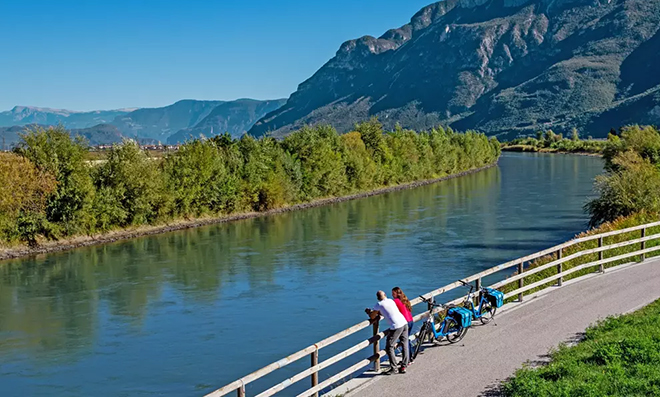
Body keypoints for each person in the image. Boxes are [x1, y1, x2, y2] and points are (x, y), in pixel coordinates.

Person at [365, 290, 409, 374]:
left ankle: (394, 368)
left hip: (396, 326)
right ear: (385, 295)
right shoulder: (391, 301)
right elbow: (387, 311)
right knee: (404, 344)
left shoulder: (379, 304)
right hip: (404, 322)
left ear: (377, 298)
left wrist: (369, 312)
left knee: (389, 346)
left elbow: (373, 316)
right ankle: (404, 365)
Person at [392, 286, 414, 364]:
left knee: (404, 341)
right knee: (406, 340)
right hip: (411, 320)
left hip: (405, 322)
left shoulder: (396, 301)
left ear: (396, 294)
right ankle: (410, 357)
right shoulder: (405, 300)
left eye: (393, 293)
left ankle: (408, 359)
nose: (392, 295)